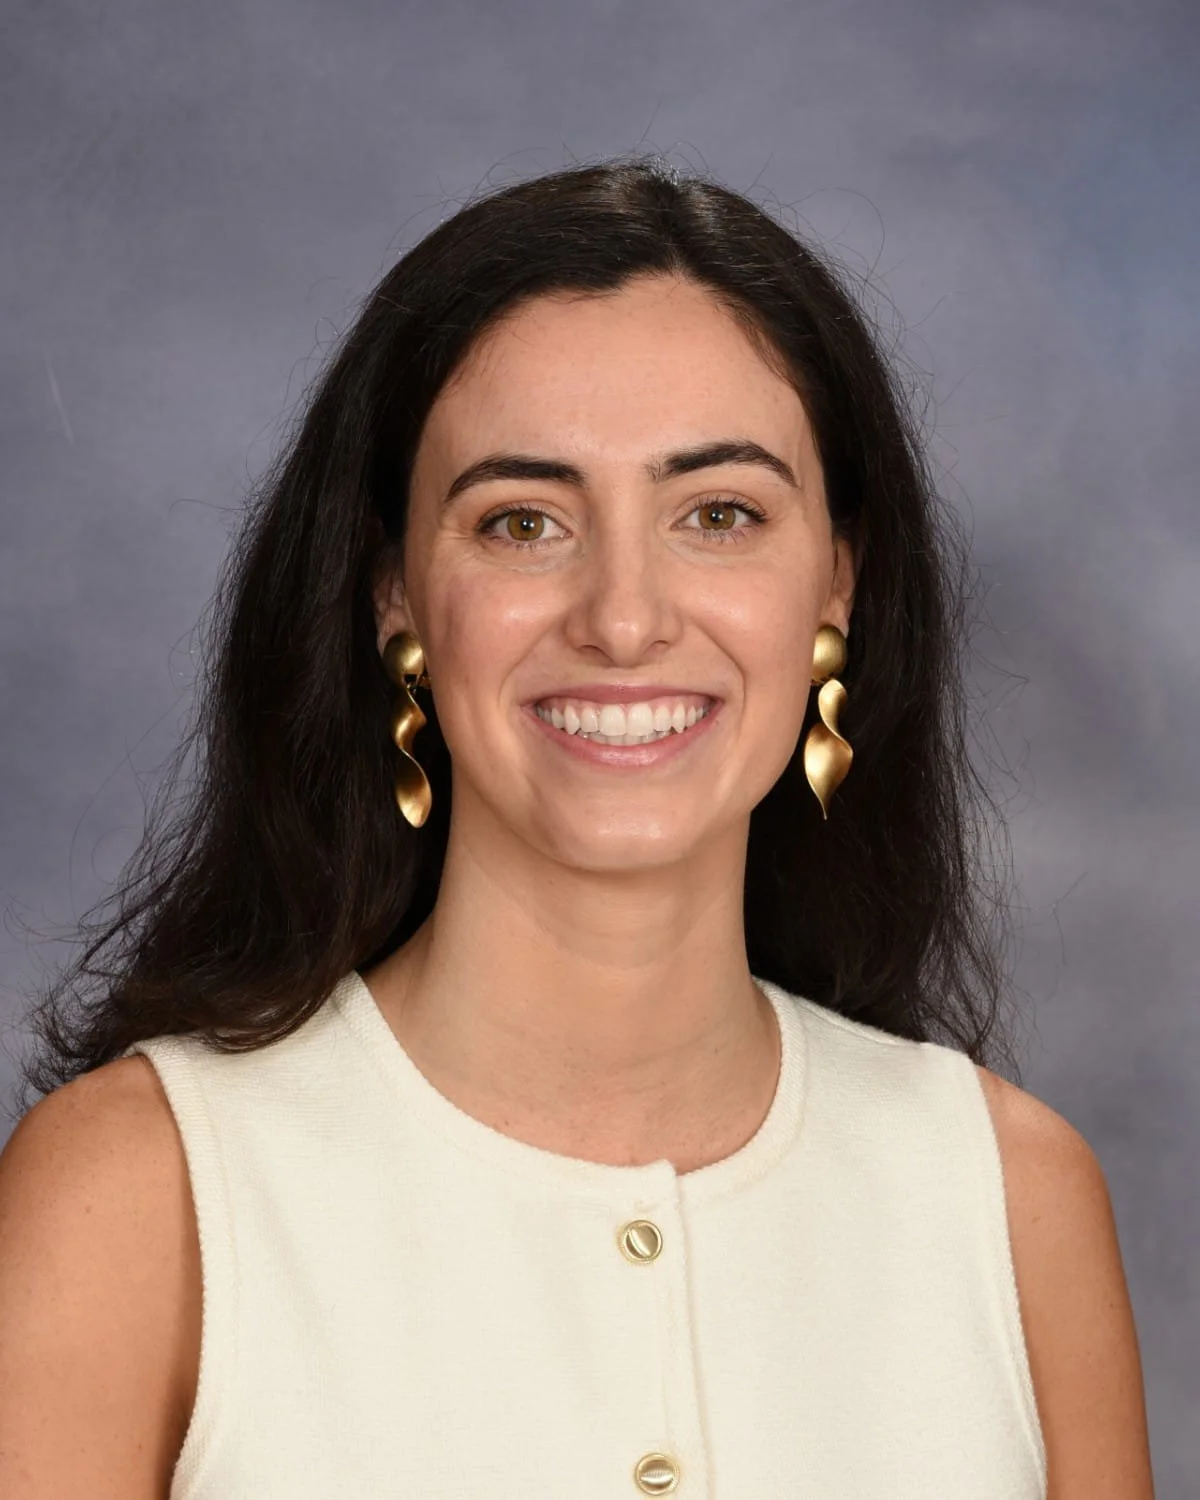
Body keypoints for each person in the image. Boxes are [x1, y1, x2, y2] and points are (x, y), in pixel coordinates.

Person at [0, 158, 1154, 1498]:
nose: (621, 617)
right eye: (523, 521)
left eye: (718, 515)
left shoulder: (1012, 1204)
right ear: (394, 593)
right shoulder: (137, 1197)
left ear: (841, 577)